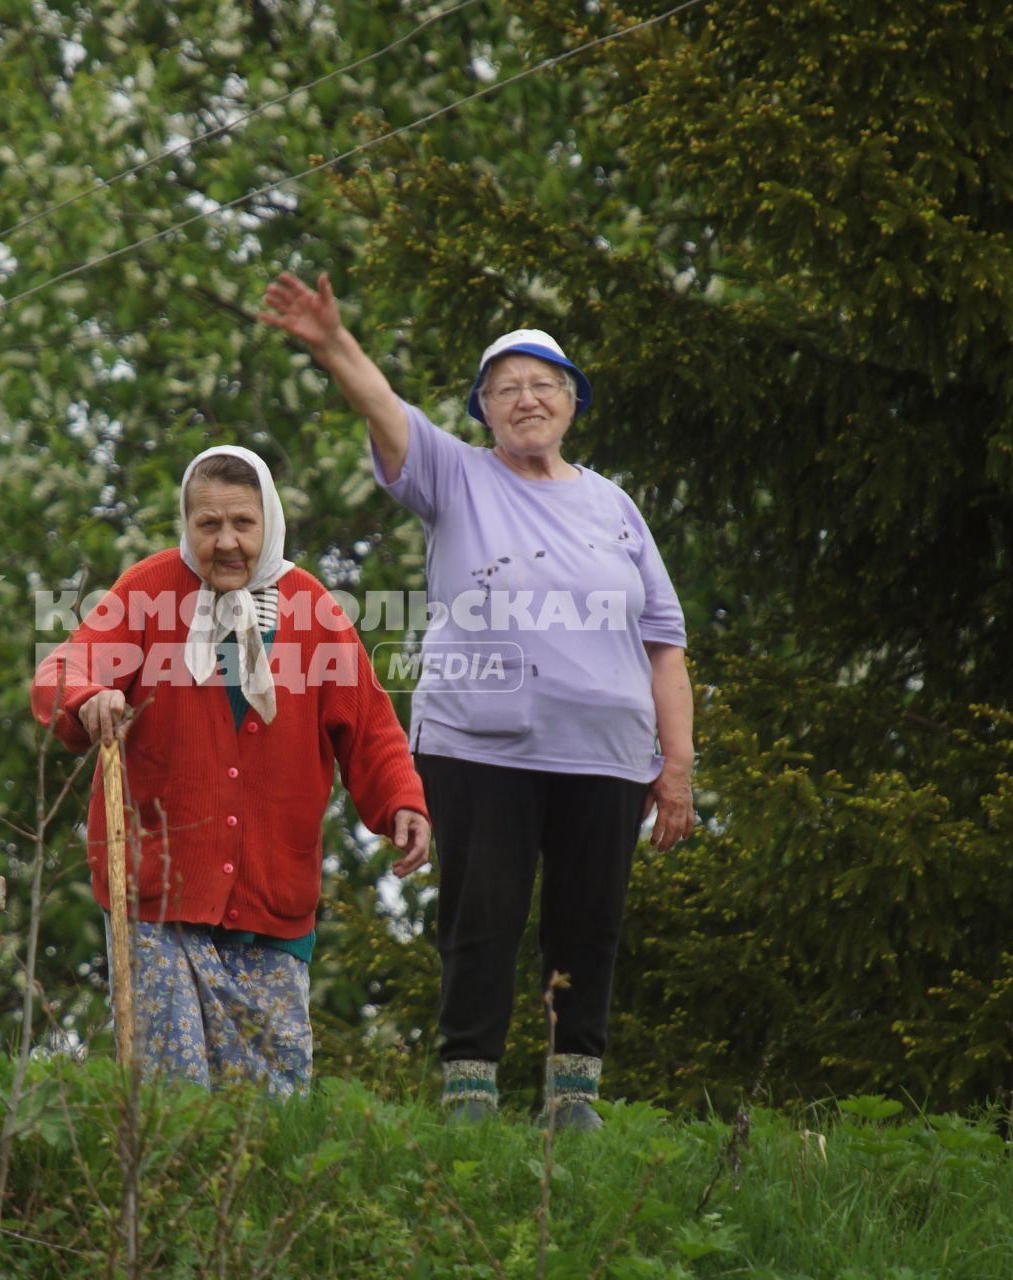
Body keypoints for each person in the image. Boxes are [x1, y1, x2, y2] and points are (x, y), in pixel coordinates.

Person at [259, 272, 695, 1128]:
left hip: (606, 754)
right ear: (483, 410)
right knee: (481, 921)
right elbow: (385, 409)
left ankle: (574, 1103)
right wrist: (332, 345)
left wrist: (676, 765)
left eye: (543, 386)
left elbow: (665, 644)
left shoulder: (615, 506)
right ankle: (469, 1097)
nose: (526, 400)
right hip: (479, 746)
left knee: (589, 926)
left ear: (572, 404)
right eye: (506, 390)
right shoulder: (453, 478)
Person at [32, 444, 431, 1097]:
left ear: (269, 522)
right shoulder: (148, 592)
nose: (226, 542)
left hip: (273, 900)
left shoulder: (311, 609)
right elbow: (60, 674)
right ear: (186, 526)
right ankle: (164, 1202)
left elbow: (370, 726)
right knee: (173, 1099)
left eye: (242, 523)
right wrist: (89, 698)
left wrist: (402, 803)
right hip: (160, 896)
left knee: (276, 1105)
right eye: (208, 524)